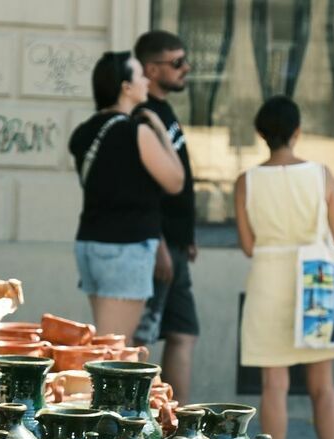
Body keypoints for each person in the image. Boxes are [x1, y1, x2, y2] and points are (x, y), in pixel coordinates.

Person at [234, 95, 334, 439]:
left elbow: (248, 246)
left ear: (260, 134)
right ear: (297, 132)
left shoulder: (246, 182)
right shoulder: (321, 174)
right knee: (323, 385)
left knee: (274, 385)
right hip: (315, 277)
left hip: (268, 278)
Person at [68, 51, 184, 342]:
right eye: (140, 75)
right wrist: (159, 130)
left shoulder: (84, 132)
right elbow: (175, 181)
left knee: (107, 342)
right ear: (126, 87)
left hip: (90, 244)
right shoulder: (136, 132)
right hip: (125, 248)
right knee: (113, 350)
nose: (146, 80)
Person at [132, 30, 199, 401]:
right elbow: (144, 190)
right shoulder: (145, 117)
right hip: (156, 246)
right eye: (176, 63)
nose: (185, 68)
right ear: (152, 69)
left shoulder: (165, 111)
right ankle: (137, 418)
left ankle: (180, 426)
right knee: (141, 338)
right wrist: (157, 242)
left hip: (175, 244)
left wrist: (187, 236)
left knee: (183, 332)